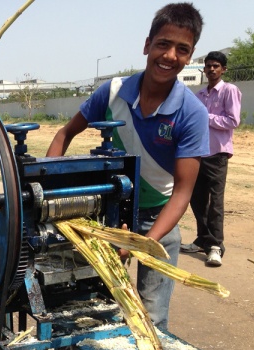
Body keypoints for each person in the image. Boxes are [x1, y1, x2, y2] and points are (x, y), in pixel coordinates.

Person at [47, 2, 209, 330]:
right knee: (88, 309)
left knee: (151, 318)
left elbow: (182, 192)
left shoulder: (191, 113)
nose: (169, 56)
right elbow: (65, 133)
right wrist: (48, 196)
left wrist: (143, 241)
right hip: (104, 215)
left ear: (190, 57)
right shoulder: (113, 92)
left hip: (157, 219)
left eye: (182, 49)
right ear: (147, 45)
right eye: (163, 44)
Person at [180, 51, 242, 267]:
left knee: (215, 202)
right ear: (204, 69)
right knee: (197, 199)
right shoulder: (199, 95)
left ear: (223, 69)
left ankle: (215, 246)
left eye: (216, 66)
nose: (212, 69)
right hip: (199, 153)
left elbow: (232, 121)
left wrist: (204, 116)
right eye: (208, 66)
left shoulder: (229, 90)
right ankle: (202, 239)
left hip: (217, 154)